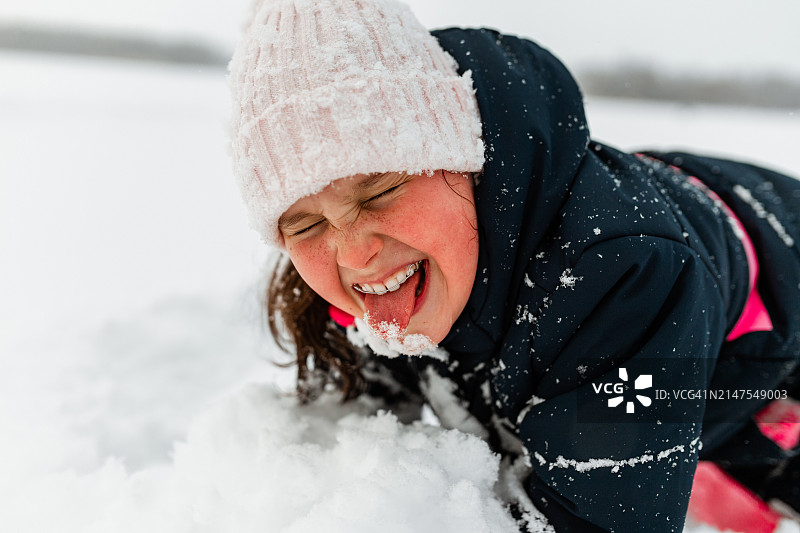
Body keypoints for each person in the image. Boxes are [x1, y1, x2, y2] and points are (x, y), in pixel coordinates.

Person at [228, 0, 800, 531]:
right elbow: (342, 435)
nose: (353, 254)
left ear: (464, 161)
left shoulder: (619, 276)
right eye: (305, 225)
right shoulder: (365, 272)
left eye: (380, 191)